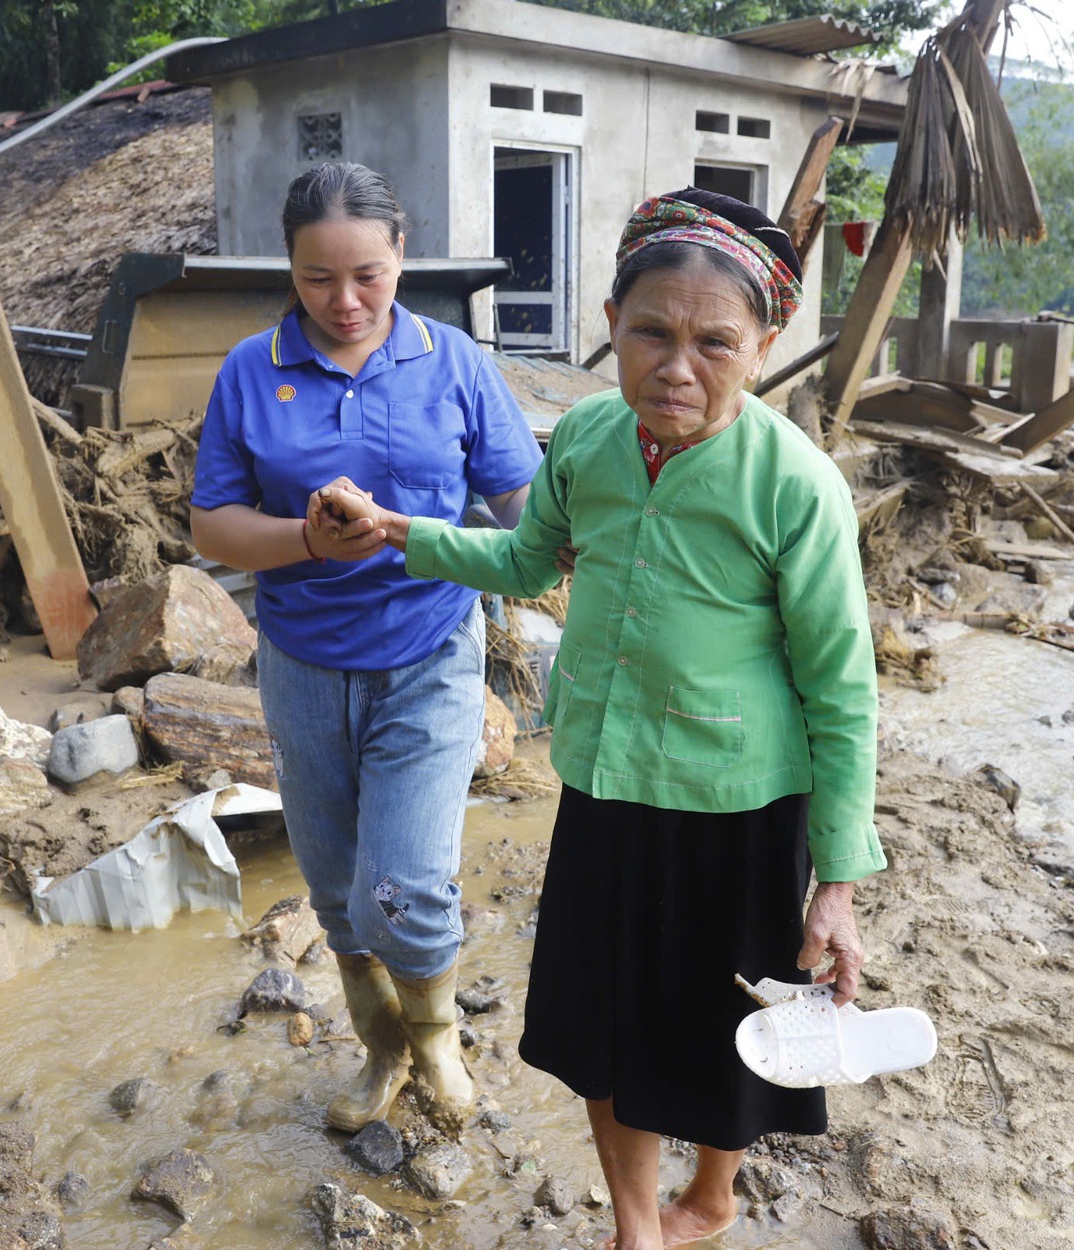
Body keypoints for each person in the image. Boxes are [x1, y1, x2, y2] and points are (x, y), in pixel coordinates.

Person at [316, 187, 884, 1250]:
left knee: (734, 1028)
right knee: (605, 1022)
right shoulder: (584, 437)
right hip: (607, 782)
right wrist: (400, 530)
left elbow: (841, 691)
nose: (677, 367)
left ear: (761, 347)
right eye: (649, 333)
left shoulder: (794, 486)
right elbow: (526, 561)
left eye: (714, 342)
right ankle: (637, 1226)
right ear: (611, 329)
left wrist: (838, 883)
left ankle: (709, 1196)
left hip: (743, 801)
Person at [188, 162, 543, 1133]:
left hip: (427, 652)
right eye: (316, 279)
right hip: (301, 665)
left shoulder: (455, 363)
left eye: (368, 275)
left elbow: (526, 504)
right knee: (339, 885)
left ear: (401, 258)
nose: (343, 302)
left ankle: (434, 1040)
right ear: (289, 269)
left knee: (407, 882)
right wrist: (304, 538)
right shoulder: (249, 373)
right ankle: (379, 1039)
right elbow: (212, 526)